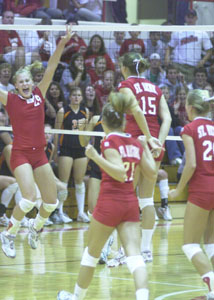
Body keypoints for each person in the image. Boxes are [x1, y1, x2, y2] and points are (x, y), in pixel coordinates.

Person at [57, 98, 157, 300]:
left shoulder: (109, 141)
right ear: (124, 122)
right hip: (130, 204)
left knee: (91, 255)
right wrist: (144, 146)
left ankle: (76, 297)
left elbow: (119, 172)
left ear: (103, 123)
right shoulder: (134, 142)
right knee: (135, 257)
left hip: (110, 203)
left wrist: (95, 157)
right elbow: (152, 173)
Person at [0, 25, 73, 259]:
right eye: (19, 81)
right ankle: (8, 233)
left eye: (27, 81)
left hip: (39, 155)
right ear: (15, 85)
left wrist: (63, 41)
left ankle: (36, 228)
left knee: (50, 203)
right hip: (20, 153)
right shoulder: (10, 99)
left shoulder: (40, 94)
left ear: (32, 83)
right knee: (29, 198)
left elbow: (51, 65)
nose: (24, 84)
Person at [115, 52, 171, 262]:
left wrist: (146, 137)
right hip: (154, 145)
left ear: (124, 68)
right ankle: (146, 250)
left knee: (126, 197)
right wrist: (158, 141)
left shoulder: (125, 85)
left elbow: (136, 111)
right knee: (146, 198)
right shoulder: (155, 88)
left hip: (134, 144)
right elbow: (167, 118)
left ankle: (124, 252)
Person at [168, 89, 214, 299]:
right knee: (211, 242)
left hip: (202, 189)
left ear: (191, 107)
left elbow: (192, 163)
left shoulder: (189, 128)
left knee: (189, 245)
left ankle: (212, 288)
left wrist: (178, 189)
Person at [54, 86, 90, 223]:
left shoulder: (85, 111)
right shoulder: (63, 111)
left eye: (78, 95)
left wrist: (87, 147)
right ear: (70, 97)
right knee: (63, 181)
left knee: (79, 181)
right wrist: (57, 151)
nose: (76, 97)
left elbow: (87, 132)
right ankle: (60, 212)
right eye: (74, 95)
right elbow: (56, 133)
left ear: (81, 97)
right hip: (66, 149)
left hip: (80, 149)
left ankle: (80, 212)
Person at [165, 9, 213, 83]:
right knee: (177, 87)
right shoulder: (178, 31)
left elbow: (209, 50)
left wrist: (203, 61)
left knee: (189, 88)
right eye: (188, 17)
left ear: (196, 18)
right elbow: (169, 47)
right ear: (185, 18)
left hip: (193, 66)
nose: (190, 19)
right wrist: (166, 58)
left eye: (192, 17)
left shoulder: (202, 32)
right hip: (178, 65)